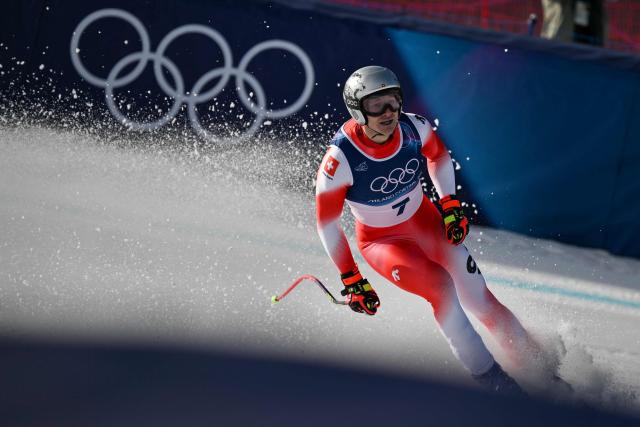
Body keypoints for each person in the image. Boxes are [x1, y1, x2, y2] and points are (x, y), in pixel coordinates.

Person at [315, 65, 537, 395]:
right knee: (441, 287)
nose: (388, 113)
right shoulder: (340, 159)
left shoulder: (414, 127)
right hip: (383, 242)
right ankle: (494, 384)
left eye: (393, 102)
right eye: (376, 105)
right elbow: (327, 223)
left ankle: (542, 369)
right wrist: (351, 277)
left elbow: (439, 157)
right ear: (357, 109)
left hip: (427, 223)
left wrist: (448, 203)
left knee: (479, 296)